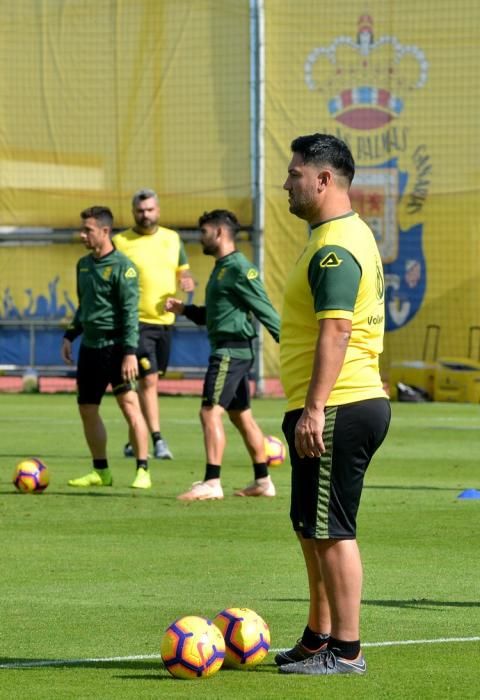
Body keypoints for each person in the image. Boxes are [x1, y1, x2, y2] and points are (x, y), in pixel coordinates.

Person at [276, 134, 391, 676]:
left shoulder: (335, 245)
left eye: (295, 173)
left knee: (333, 529)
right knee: (311, 526)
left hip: (337, 406)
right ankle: (317, 635)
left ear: (323, 180)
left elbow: (339, 329)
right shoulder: (334, 236)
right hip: (332, 403)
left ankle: (346, 651)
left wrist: (316, 408)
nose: (286, 183)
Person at [165, 209, 280, 501]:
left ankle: (212, 482)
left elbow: (265, 310)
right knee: (241, 417)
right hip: (231, 350)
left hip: (231, 353)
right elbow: (214, 316)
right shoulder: (221, 268)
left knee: (209, 411)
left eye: (203, 232)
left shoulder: (240, 268)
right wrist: (184, 310)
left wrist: (290, 345)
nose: (200, 238)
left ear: (219, 233)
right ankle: (264, 481)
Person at [62, 206, 151, 490]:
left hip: (116, 349)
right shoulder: (83, 265)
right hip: (90, 347)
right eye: (82, 229)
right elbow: (84, 306)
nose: (82, 235)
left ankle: (143, 469)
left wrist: (129, 352)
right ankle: (101, 471)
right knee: (87, 408)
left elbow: (130, 313)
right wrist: (70, 335)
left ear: (105, 231)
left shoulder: (123, 268)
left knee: (129, 406)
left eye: (87, 230)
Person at [112, 189, 195, 460]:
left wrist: (186, 280)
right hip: (136, 322)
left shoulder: (172, 238)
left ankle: (133, 440)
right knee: (148, 381)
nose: (145, 215)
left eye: (149, 210)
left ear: (158, 210)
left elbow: (183, 268)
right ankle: (158, 441)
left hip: (164, 323)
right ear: (133, 212)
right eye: (140, 210)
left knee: (153, 381)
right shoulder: (121, 241)